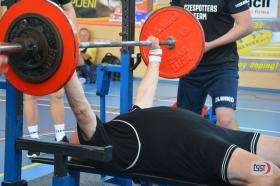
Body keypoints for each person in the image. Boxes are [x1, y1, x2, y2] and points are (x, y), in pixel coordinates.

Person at [1, 37, 280, 185]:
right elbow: (82, 110)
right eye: (71, 142)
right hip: (199, 150)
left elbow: (145, 93)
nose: (72, 136)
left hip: (215, 134)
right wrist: (65, 66)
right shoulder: (101, 143)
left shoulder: (124, 124)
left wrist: (156, 56)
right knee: (267, 175)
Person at [1, 0, 77, 157]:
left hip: (52, 45)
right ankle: (34, 140)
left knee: (58, 93)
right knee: (30, 95)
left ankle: (60, 136)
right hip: (25, 45)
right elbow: (5, 14)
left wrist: (75, 39)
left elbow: (69, 9)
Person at [171, 0, 254, 130]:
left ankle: (231, 149)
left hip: (222, 65)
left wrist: (210, 45)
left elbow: (246, 26)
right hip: (191, 66)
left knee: (225, 119)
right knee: (186, 121)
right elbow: (173, 21)